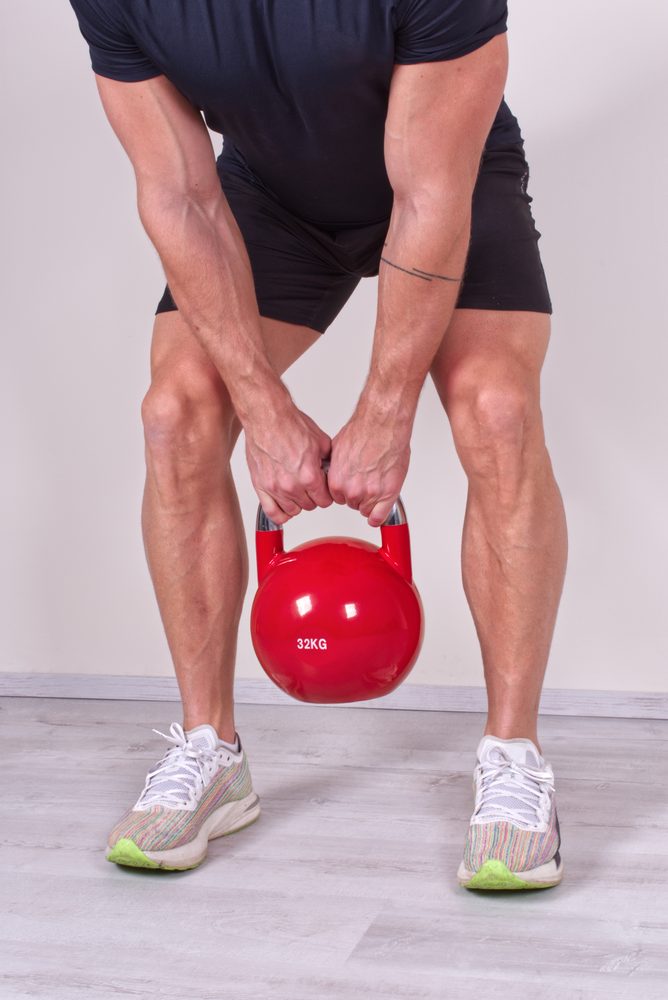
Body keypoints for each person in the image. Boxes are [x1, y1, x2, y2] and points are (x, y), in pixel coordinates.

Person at [67, 0, 567, 890]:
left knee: (495, 409)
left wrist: (386, 409)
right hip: (272, 200)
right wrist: (264, 409)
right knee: (176, 413)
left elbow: (429, 196)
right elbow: (180, 192)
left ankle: (513, 761)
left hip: (453, 181)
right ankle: (209, 751)